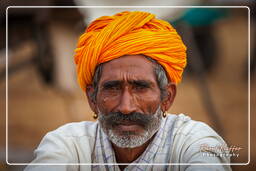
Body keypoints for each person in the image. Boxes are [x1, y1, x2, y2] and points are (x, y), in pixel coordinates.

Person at [25, 11, 231, 171]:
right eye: (112, 88)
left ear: (167, 97)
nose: (125, 107)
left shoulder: (195, 142)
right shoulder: (67, 144)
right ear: (92, 98)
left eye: (140, 88)